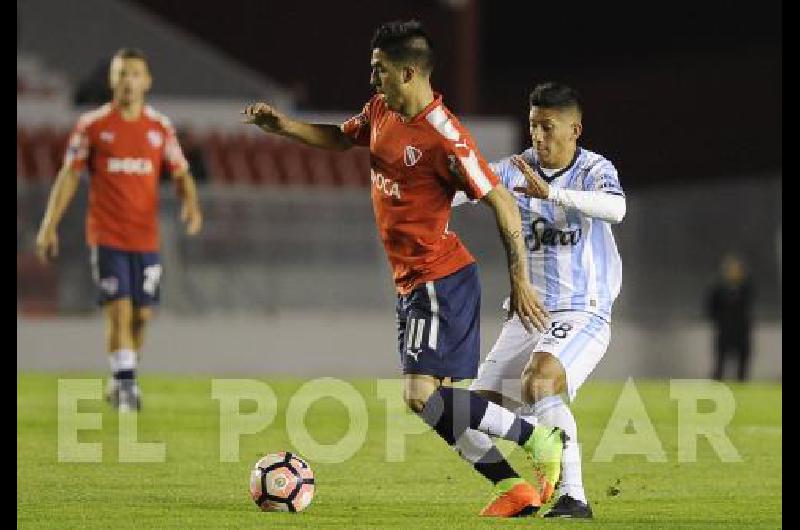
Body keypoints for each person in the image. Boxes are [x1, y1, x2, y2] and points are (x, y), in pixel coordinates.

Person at [242, 20, 565, 517]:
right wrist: (283, 127)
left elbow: (500, 199)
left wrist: (520, 277)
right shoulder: (380, 112)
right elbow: (339, 137)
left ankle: (538, 438)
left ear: (410, 72)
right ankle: (515, 489)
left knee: (419, 397)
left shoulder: (445, 136)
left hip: (439, 278)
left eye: (381, 72)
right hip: (415, 283)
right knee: (434, 405)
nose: (373, 81)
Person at [452, 82, 626, 518]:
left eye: (548, 127)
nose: (539, 137)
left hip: (583, 309)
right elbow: (460, 191)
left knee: (540, 381)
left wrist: (553, 195)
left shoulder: (593, 169)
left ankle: (574, 497)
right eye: (533, 126)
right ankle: (518, 491)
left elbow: (615, 209)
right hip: (527, 315)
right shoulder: (512, 170)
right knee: (460, 418)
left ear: (575, 129)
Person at [35, 48, 203, 411]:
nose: (128, 80)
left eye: (135, 74)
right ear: (112, 80)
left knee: (143, 316)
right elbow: (69, 176)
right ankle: (126, 388)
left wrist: (190, 204)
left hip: (146, 239)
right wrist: (49, 225)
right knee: (120, 310)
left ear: (147, 81)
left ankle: (122, 374)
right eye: (121, 73)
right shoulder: (93, 126)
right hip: (106, 234)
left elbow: (181, 172)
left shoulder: (159, 128)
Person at [706, 254, 755, 382]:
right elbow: (711, 309)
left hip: (741, 332)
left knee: (742, 367)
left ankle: (742, 391)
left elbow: (749, 304)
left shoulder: (746, 288)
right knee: (720, 365)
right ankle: (716, 391)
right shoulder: (718, 289)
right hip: (725, 331)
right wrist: (719, 320)